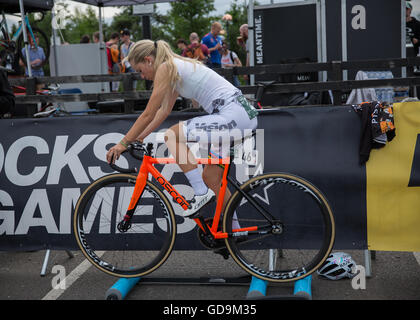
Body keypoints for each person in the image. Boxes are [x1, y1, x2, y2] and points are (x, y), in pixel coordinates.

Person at [106, 39, 258, 218]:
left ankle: (201, 193)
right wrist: (141, 136)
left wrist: (123, 143)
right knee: (213, 179)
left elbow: (148, 113)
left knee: (172, 135)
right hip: (241, 115)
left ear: (148, 60)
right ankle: (233, 234)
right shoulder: (174, 67)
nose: (141, 76)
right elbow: (163, 111)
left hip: (232, 116)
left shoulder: (165, 67)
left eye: (139, 70)